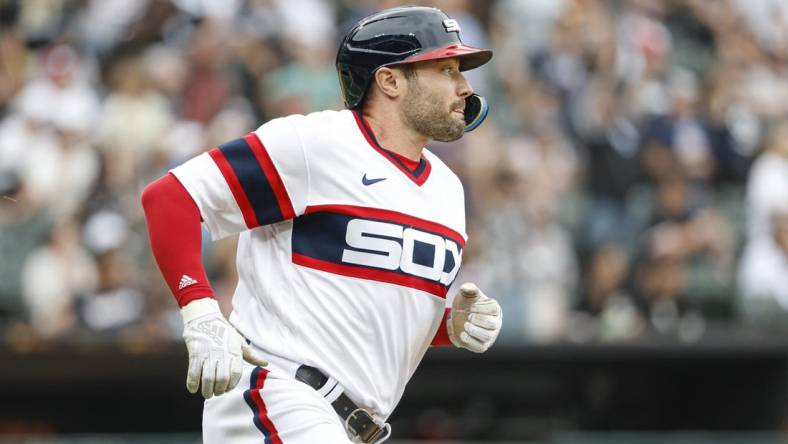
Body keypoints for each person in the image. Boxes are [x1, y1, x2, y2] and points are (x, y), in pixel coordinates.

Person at [141, 6, 502, 443]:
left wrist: (446, 325)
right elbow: (170, 197)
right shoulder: (317, 144)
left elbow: (367, 317)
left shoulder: (447, 189)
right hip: (279, 393)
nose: (464, 86)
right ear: (389, 80)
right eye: (446, 69)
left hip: (349, 423)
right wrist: (200, 312)